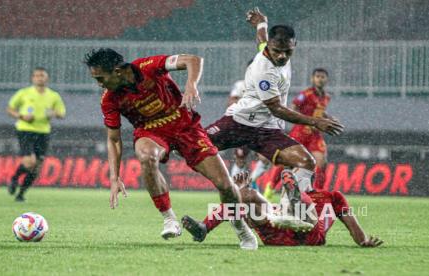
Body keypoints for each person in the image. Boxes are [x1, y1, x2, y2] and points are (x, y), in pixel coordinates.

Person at [83, 48, 259, 249]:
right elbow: (113, 139)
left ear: (116, 71)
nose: (99, 84)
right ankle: (169, 219)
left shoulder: (147, 67)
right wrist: (115, 177)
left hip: (186, 128)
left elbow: (192, 60)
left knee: (226, 186)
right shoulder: (109, 99)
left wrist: (191, 85)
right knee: (146, 156)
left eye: (100, 78)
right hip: (151, 132)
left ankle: (240, 226)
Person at [206, 8, 344, 209]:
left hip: (267, 130)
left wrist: (262, 23)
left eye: (287, 51)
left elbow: (261, 39)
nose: (281, 56)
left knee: (307, 163)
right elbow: (277, 109)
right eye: (276, 51)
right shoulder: (264, 70)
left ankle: (292, 211)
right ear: (270, 47)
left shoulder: (274, 49)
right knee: (194, 147)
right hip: (238, 122)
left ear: (293, 45)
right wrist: (316, 121)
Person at [182, 172, 384, 248]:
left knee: (302, 208)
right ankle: (203, 228)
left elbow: (352, 225)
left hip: (310, 232)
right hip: (277, 228)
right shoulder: (284, 200)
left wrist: (363, 241)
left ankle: (294, 208)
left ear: (311, 175)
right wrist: (241, 192)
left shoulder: (332, 197)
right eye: (295, 172)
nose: (299, 172)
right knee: (247, 196)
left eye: (299, 171)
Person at [264, 68, 335, 200]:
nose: (320, 79)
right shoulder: (305, 94)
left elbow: (318, 111)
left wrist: (329, 118)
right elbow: (293, 107)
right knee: (287, 161)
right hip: (300, 132)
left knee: (322, 162)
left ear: (326, 80)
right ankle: (271, 187)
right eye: (318, 76)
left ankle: (318, 195)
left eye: (323, 77)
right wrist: (300, 119)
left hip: (314, 134)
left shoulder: (326, 97)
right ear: (312, 79)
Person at [6, 67, 66, 202]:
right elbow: (10, 109)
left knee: (36, 168)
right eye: (37, 76)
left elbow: (62, 113)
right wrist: (21, 116)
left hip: (43, 132)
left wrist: (55, 113)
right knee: (30, 162)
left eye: (42, 75)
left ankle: (21, 194)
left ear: (47, 78)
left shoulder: (53, 96)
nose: (40, 78)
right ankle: (15, 178)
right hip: (25, 130)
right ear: (33, 78)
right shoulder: (24, 93)